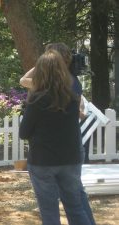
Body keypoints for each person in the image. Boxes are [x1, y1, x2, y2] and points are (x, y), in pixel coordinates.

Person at [19, 50, 95, 225]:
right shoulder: (73, 97)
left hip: (43, 161)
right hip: (70, 158)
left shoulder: (37, 99)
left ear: (41, 71)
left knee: (49, 211)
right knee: (75, 207)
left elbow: (24, 133)